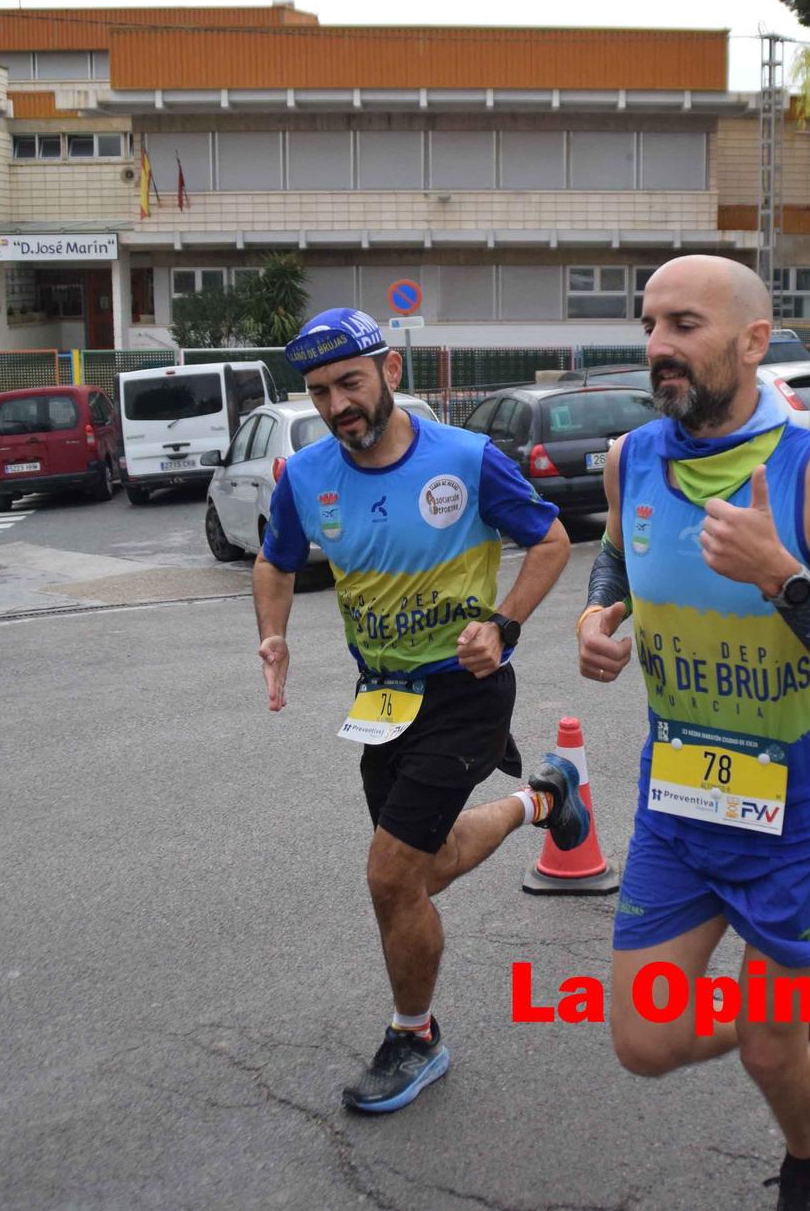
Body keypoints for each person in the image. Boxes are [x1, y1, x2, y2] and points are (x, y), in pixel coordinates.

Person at [577, 256, 810, 1211]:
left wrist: (785, 580)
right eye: (649, 325)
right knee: (643, 1041)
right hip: (679, 797)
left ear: (754, 341)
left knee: (769, 1049)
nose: (656, 347)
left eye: (683, 324)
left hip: (797, 805)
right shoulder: (631, 456)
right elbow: (616, 557)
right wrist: (600, 620)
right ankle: (794, 1011)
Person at [252, 307, 582, 1114]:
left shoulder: (467, 459)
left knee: (390, 873)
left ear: (389, 374)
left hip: (466, 693)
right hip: (383, 699)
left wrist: (503, 625)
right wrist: (273, 635)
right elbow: (274, 560)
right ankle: (545, 797)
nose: (337, 405)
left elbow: (551, 540)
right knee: (422, 870)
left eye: (350, 383)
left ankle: (416, 1036)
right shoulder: (305, 476)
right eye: (321, 391)